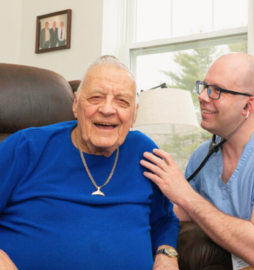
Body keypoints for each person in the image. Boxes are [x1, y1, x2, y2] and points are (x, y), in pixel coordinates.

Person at [0, 55, 180, 270]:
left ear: (134, 114)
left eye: (122, 101)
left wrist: (166, 254)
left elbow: (164, 220)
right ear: (76, 104)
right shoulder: (26, 147)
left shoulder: (145, 152)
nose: (107, 109)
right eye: (96, 97)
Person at [140, 53, 254, 270]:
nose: (202, 96)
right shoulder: (202, 155)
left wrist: (186, 195)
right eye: (204, 86)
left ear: (248, 105)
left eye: (217, 90)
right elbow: (177, 216)